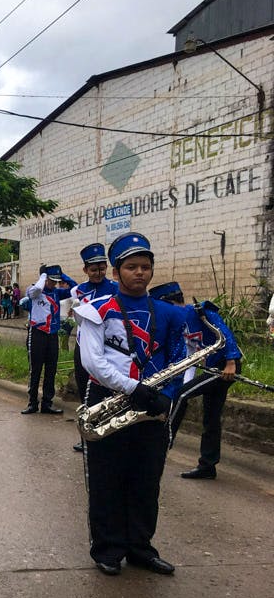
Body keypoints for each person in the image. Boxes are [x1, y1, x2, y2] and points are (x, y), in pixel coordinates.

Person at [73, 233, 187, 577]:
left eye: (145, 267)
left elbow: (180, 359)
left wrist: (168, 394)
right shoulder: (97, 310)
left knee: (146, 479)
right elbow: (92, 362)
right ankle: (108, 549)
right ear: (116, 271)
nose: (140, 272)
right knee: (107, 478)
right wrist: (133, 389)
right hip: (109, 399)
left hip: (153, 403)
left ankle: (140, 548)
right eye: (132, 266)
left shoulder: (169, 313)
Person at [150, 282, 242, 480]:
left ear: (171, 304)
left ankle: (162, 443)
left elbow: (225, 333)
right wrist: (184, 381)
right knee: (211, 418)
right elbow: (190, 355)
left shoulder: (200, 312)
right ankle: (208, 466)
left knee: (181, 395)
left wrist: (231, 362)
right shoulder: (177, 323)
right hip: (211, 367)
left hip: (225, 367)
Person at [69, 243, 119, 451]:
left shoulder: (116, 288)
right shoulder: (77, 291)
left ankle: (109, 434)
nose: (98, 273)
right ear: (85, 270)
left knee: (108, 391)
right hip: (84, 345)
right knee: (85, 390)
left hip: (109, 347)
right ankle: (87, 435)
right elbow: (77, 319)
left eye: (101, 268)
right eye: (93, 269)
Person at [22, 264, 76, 414]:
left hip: (52, 334)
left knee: (51, 370)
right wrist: (43, 276)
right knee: (35, 370)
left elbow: (75, 288)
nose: (54, 284)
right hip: (37, 333)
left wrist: (62, 275)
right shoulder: (34, 290)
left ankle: (47, 403)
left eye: (56, 281)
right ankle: (32, 403)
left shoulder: (57, 293)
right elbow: (36, 290)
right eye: (51, 280)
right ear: (45, 278)